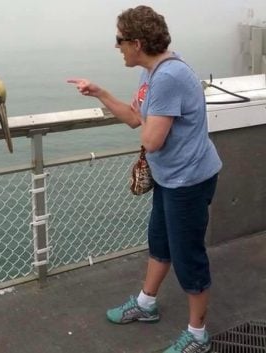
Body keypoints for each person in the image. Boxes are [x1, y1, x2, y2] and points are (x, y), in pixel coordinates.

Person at [67, 5, 222, 353]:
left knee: (188, 257)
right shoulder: (152, 72)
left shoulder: (167, 77)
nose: (116, 47)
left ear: (136, 43)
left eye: (120, 40)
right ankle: (146, 304)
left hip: (188, 181)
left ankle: (198, 337)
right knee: (160, 243)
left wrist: (149, 131)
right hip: (171, 177)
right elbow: (137, 120)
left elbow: (152, 139)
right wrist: (100, 93)